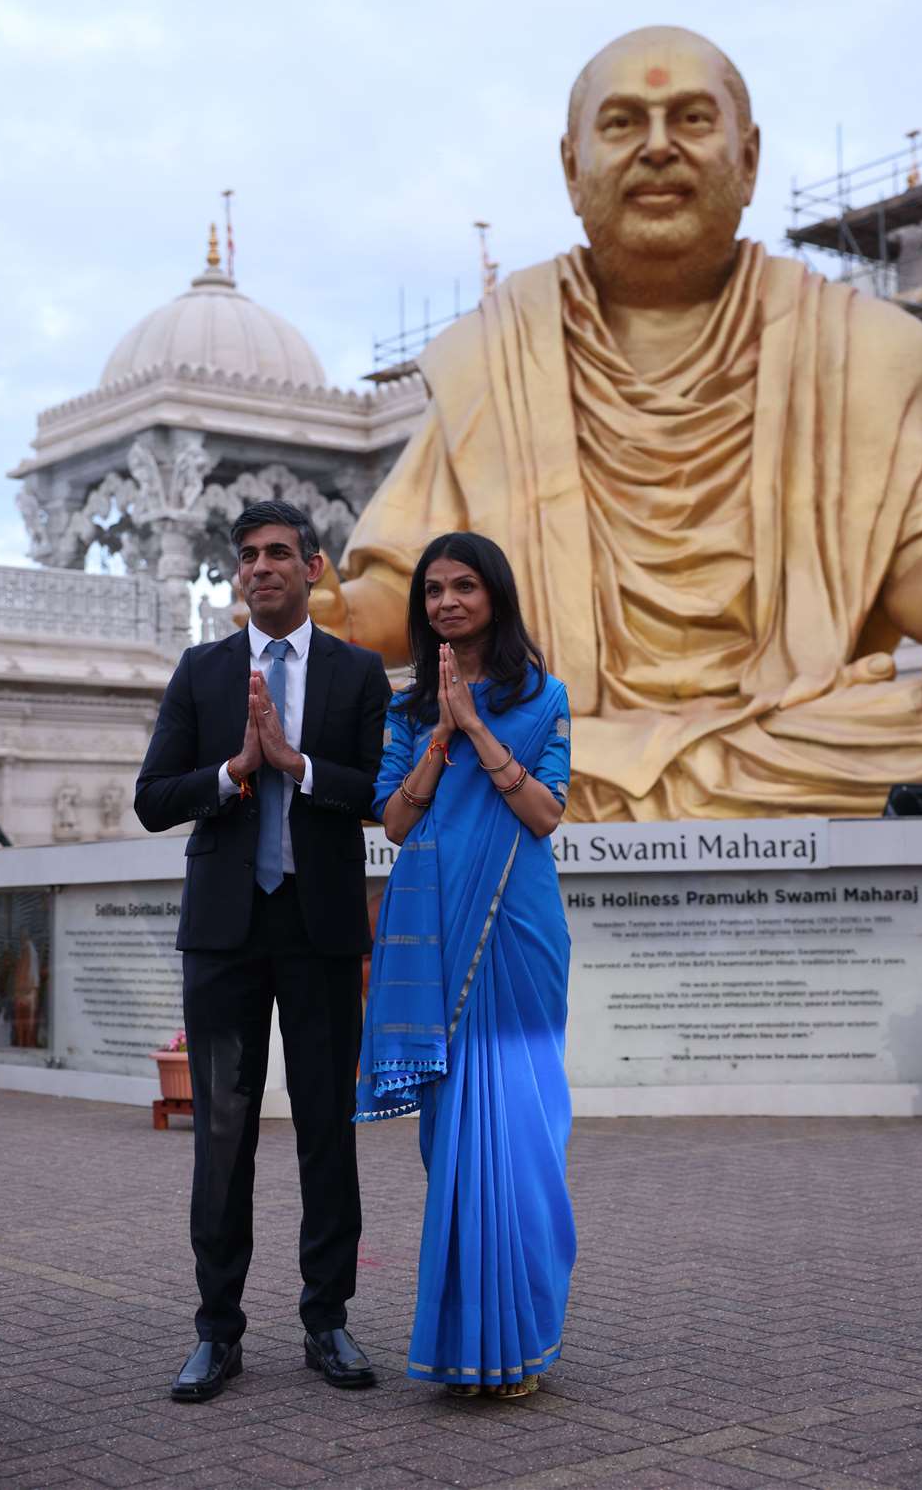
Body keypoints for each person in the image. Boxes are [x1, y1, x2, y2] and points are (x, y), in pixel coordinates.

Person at [314, 26, 922, 819]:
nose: (657, 148)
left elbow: (918, 554)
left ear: (748, 160)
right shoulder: (499, 353)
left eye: (690, 119)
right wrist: (329, 615)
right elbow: (411, 590)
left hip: (792, 728)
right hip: (553, 727)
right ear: (572, 167)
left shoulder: (842, 343)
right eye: (622, 124)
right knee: (371, 738)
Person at [135, 499, 391, 1403]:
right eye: (247, 556)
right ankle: (218, 1331)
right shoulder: (201, 672)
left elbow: (379, 791)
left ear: (314, 568)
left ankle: (327, 1321)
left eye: (280, 552)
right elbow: (153, 796)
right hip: (224, 935)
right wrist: (233, 772)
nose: (262, 567)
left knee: (327, 1134)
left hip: (320, 931)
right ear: (237, 573)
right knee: (221, 1136)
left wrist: (296, 764)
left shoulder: (360, 675)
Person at [357, 532, 576, 1398]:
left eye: (464, 586)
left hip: (517, 934)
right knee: (453, 1143)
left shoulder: (543, 695)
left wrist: (478, 725)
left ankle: (520, 1339)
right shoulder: (405, 710)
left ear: (496, 597)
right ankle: (465, 1347)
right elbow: (396, 822)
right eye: (434, 590)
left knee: (521, 1141)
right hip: (435, 936)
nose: (446, 601)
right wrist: (440, 732)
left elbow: (545, 812)